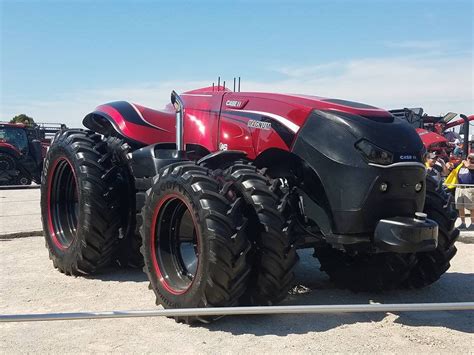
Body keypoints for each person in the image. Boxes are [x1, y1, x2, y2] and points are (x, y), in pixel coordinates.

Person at [455, 153, 474, 230]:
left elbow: (468, 166)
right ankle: (463, 223)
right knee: (460, 207)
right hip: (460, 188)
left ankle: (473, 223)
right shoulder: (461, 166)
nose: (470, 159)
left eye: (472, 158)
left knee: (472, 208)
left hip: (470, 189)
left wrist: (464, 162)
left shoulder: (471, 165)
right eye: (469, 158)